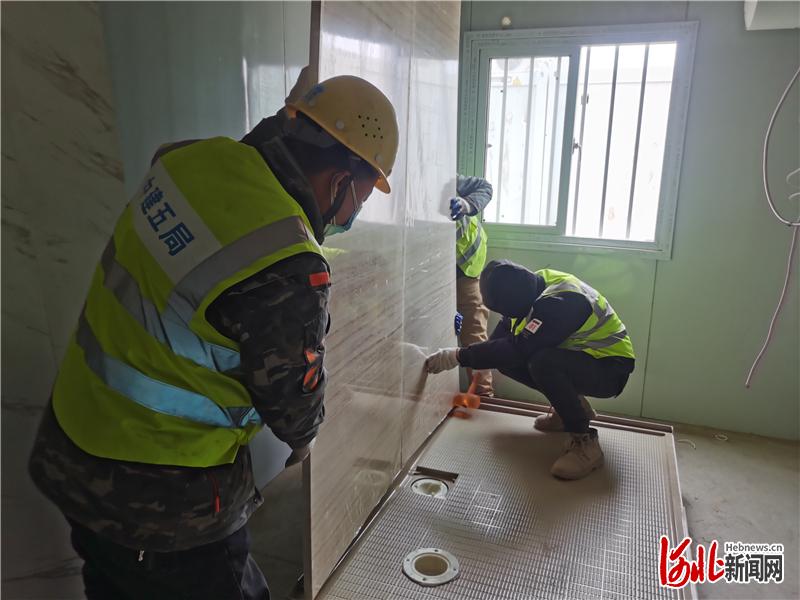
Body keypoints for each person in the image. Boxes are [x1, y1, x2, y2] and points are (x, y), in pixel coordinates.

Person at [27, 70, 399, 600]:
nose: (355, 210)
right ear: (341, 180)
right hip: (162, 498)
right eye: (362, 195)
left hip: (74, 442)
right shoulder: (289, 261)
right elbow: (294, 407)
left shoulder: (186, 159)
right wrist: (309, 436)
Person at [425, 259, 635, 480]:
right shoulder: (527, 286)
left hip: (610, 369)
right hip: (582, 360)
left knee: (543, 362)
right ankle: (568, 411)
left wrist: (458, 356)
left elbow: (518, 349)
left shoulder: (561, 303)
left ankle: (585, 442)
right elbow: (500, 341)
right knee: (507, 360)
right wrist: (475, 357)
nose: (505, 315)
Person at [450, 175, 494, 397]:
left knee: (473, 333)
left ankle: (483, 395)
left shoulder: (445, 177)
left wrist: (467, 205)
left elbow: (485, 187)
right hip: (428, 272)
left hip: (465, 269)